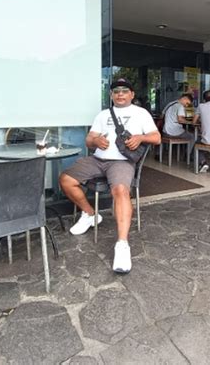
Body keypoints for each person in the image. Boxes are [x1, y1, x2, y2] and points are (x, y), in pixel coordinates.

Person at [59, 78, 161, 274]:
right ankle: (90, 214)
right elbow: (89, 140)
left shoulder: (141, 113)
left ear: (132, 94)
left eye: (124, 90)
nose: (120, 94)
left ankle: (122, 245)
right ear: (111, 95)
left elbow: (156, 138)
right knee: (66, 179)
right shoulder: (103, 114)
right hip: (98, 159)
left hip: (122, 162)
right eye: (116, 91)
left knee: (121, 190)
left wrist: (140, 137)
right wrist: (95, 141)